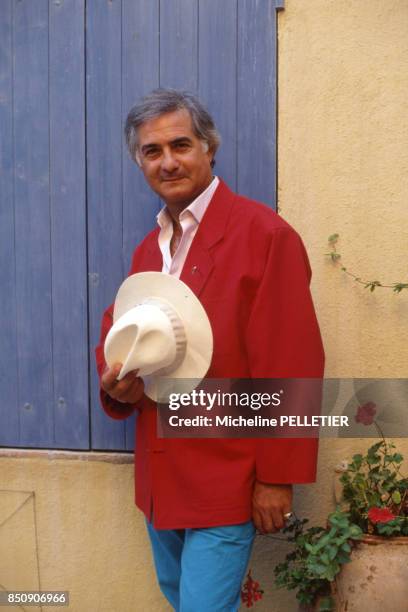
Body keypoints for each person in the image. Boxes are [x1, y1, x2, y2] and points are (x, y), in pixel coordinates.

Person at [95, 89, 324, 611]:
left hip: (228, 473)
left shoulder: (265, 235)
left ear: (209, 148)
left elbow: (292, 362)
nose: (168, 161)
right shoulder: (147, 249)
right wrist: (116, 382)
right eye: (152, 151)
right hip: (160, 476)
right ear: (139, 161)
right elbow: (120, 341)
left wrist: (275, 477)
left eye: (181, 144)